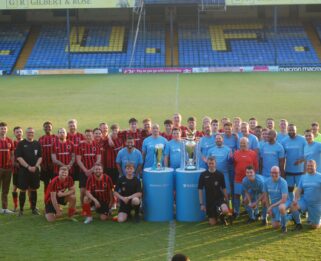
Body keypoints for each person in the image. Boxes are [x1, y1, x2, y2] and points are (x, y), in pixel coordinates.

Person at [16, 127, 42, 216]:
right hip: (24, 171)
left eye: (32, 132)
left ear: (33, 134)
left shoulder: (37, 144)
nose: (30, 134)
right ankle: (21, 210)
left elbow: (40, 157)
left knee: (34, 189)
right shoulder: (21, 144)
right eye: (28, 132)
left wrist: (36, 166)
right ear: (26, 133)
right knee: (23, 189)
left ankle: (34, 208)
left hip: (35, 170)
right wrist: (28, 167)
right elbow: (19, 157)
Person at [198, 156, 231, 225]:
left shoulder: (220, 174)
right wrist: (201, 204)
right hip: (210, 200)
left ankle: (222, 215)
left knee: (225, 210)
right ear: (207, 164)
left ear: (215, 163)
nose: (211, 165)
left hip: (219, 198)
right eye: (209, 163)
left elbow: (224, 188)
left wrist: (227, 200)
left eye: (212, 163)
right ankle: (218, 214)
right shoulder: (203, 175)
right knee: (212, 223)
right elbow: (200, 189)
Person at [291, 160, 321, 230]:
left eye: (311, 166)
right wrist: (295, 200)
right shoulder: (303, 177)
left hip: (316, 204)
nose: (309, 167)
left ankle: (318, 219)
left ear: (315, 167)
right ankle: (298, 223)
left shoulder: (319, 177)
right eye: (308, 166)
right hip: (305, 201)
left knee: (314, 226)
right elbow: (298, 190)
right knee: (293, 206)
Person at [233, 137, 258, 217]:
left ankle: (254, 213)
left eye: (244, 143)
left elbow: (255, 166)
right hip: (238, 179)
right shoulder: (236, 153)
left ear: (248, 144)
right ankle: (236, 212)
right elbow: (234, 165)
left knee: (250, 197)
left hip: (249, 180)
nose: (243, 144)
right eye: (241, 143)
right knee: (237, 195)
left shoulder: (253, 153)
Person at [281, 124, 306, 201]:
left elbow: (308, 153)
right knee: (289, 190)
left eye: (293, 130)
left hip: (300, 171)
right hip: (289, 171)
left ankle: (301, 207)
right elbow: (282, 157)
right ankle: (291, 206)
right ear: (287, 130)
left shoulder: (303, 140)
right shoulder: (284, 141)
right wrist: (283, 171)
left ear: (296, 130)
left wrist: (301, 160)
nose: (291, 132)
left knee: (301, 190)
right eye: (290, 130)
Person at [76, 129, 101, 205]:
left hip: (94, 171)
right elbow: (78, 160)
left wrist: (91, 170)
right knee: (83, 191)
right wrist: (86, 170)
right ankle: (83, 206)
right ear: (84, 136)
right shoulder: (80, 145)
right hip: (83, 171)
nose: (88, 137)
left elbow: (98, 159)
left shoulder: (96, 145)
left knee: (94, 189)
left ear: (92, 135)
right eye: (87, 135)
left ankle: (92, 204)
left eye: (90, 135)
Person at [263, 166, 290, 233]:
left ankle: (285, 225)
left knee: (281, 207)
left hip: (284, 202)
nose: (274, 174)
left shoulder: (283, 182)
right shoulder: (266, 182)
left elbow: (284, 199)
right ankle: (286, 216)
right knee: (275, 226)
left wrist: (271, 207)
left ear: (279, 173)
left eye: (276, 173)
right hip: (274, 204)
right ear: (270, 173)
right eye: (272, 173)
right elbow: (266, 197)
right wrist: (269, 209)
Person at [0, 122, 14, 214]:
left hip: (8, 169)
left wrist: (12, 164)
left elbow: (12, 155)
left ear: (7, 129)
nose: (3, 130)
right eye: (1, 128)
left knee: (5, 190)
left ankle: (4, 209)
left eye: (4, 128)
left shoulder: (10, 141)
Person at [39, 121, 57, 191]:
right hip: (44, 166)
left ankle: (54, 200)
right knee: (46, 184)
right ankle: (46, 200)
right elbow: (39, 153)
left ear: (51, 127)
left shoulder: (56, 138)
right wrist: (41, 165)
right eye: (46, 127)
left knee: (54, 183)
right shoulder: (41, 139)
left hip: (54, 166)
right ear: (43, 128)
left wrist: (54, 163)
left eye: (49, 126)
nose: (47, 128)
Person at [12, 126, 24, 211]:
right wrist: (15, 163)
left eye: (20, 131)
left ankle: (32, 205)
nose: (19, 133)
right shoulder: (13, 143)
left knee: (28, 187)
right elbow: (11, 155)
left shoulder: (27, 142)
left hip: (25, 169)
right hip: (16, 169)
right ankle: (15, 206)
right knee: (15, 187)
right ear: (14, 133)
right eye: (17, 132)